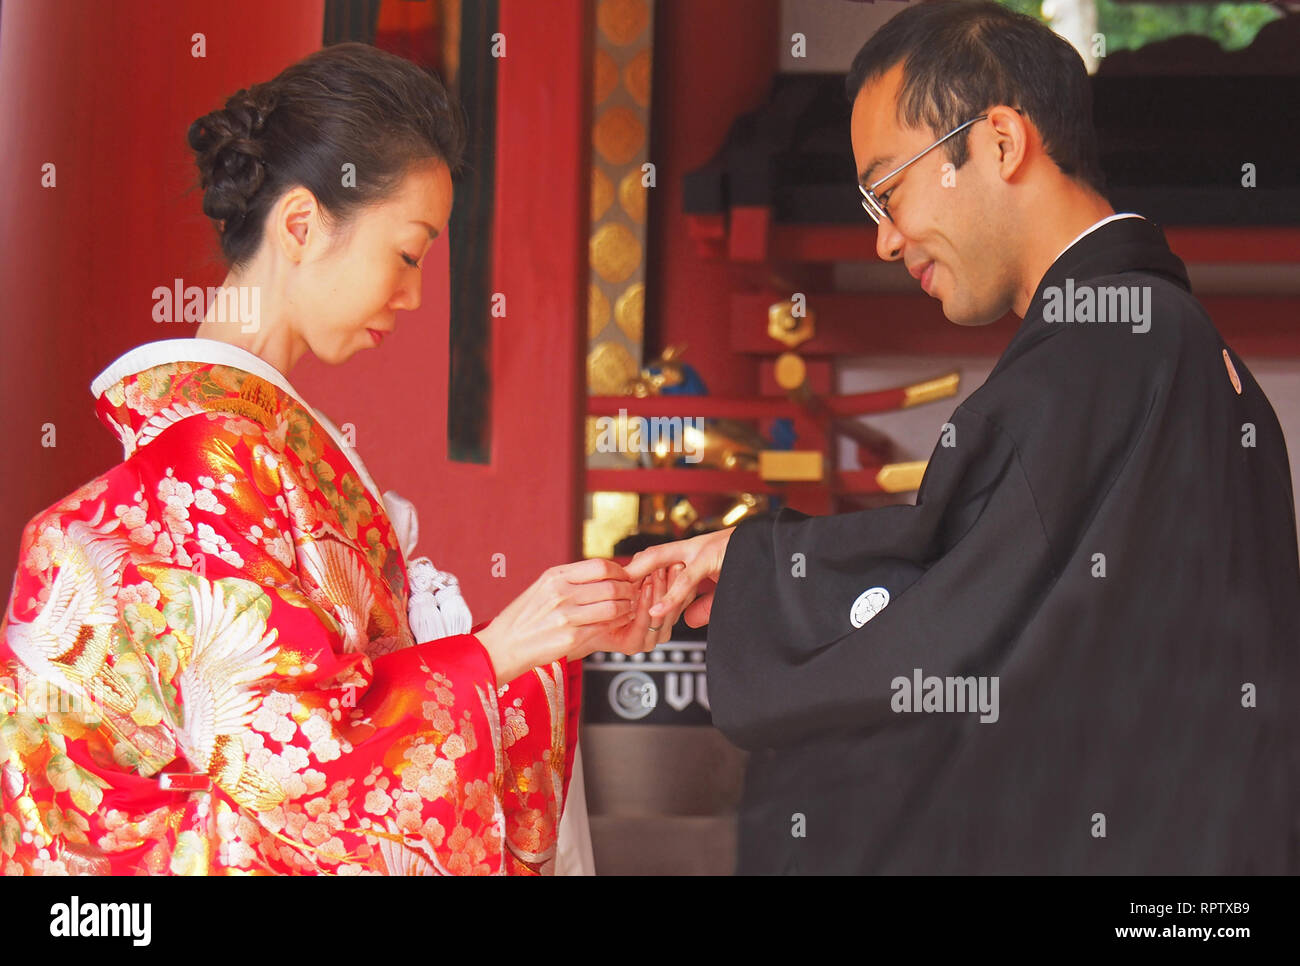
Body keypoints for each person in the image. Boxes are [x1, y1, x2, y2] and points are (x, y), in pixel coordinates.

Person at [627, 1, 1300, 874]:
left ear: (1001, 143)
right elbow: (1010, 593)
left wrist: (767, 578)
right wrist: (750, 563)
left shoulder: (1102, 350)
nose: (883, 237)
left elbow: (959, 606)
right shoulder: (1171, 342)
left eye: (889, 186)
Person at [0, 42, 673, 876]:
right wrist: (499, 654)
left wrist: (551, 640)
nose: (415, 295)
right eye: (408, 252)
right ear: (300, 225)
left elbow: (340, 719)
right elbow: (290, 763)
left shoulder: (242, 452)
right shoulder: (211, 466)